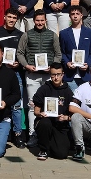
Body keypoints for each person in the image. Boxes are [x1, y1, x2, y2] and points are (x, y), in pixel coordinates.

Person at [17, 9, 62, 148]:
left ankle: (50, 134)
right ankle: (32, 135)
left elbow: (58, 54)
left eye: (42, 20)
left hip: (49, 76)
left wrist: (53, 68)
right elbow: (20, 53)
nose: (40, 23)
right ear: (34, 21)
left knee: (51, 106)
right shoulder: (27, 35)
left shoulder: (53, 35)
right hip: (32, 75)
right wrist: (26, 66)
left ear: (46, 21)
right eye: (37, 20)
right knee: (32, 106)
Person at [0, 8, 25, 148]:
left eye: (14, 18)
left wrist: (19, 64)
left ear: (17, 20)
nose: (11, 20)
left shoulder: (21, 35)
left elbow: (23, 54)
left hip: (15, 74)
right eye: (9, 17)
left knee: (16, 105)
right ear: (4, 17)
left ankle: (17, 135)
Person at [32, 62, 74, 160]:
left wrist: (65, 118)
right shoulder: (44, 89)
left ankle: (51, 144)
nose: (56, 77)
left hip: (60, 125)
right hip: (45, 122)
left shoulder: (68, 91)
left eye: (58, 74)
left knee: (61, 154)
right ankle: (43, 149)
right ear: (50, 75)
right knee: (45, 123)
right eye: (53, 75)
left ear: (62, 74)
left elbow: (72, 115)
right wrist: (40, 114)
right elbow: (36, 111)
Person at [59, 5, 91, 92]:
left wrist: (88, 64)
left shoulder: (89, 32)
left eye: (77, 14)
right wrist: (67, 63)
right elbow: (62, 52)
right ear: (69, 16)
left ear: (81, 15)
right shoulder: (63, 33)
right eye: (72, 14)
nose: (75, 16)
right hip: (69, 76)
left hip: (85, 75)